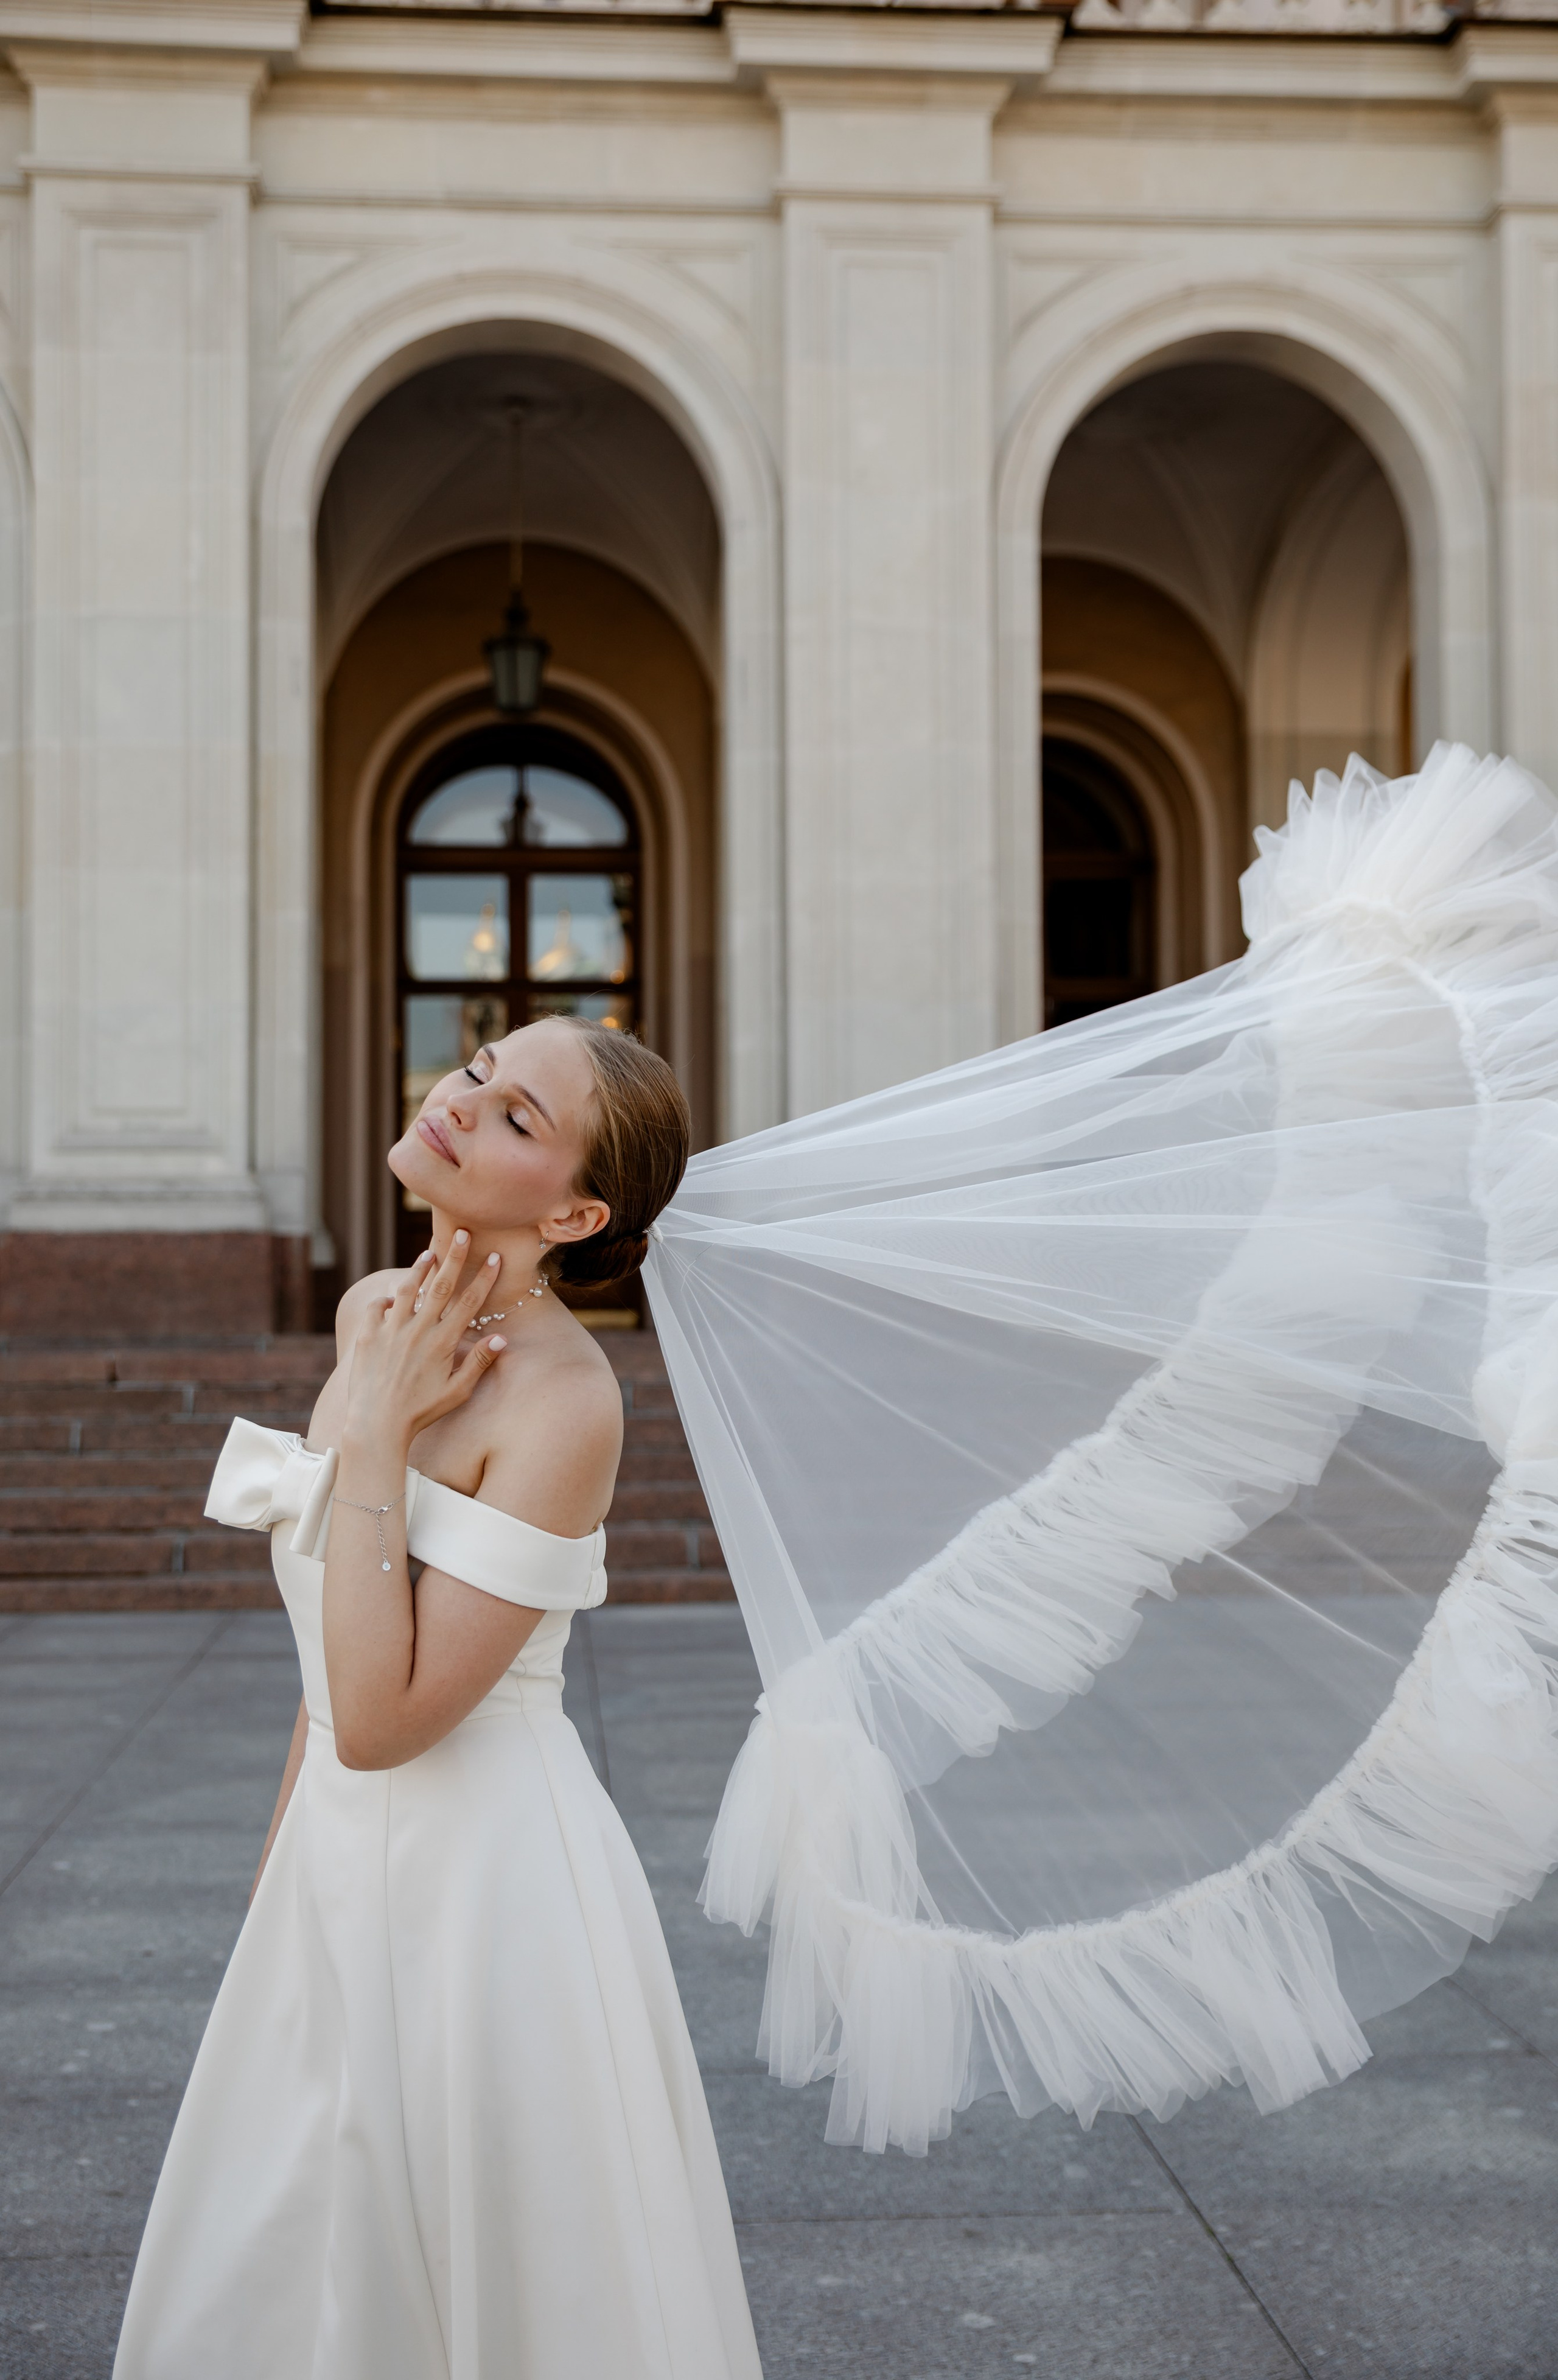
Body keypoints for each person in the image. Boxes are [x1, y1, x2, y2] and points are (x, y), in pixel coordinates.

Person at [114, 1017, 763, 2380]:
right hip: (330, 1857)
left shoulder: (568, 1401)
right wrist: (278, 1878)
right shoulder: (371, 1312)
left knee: (490, 2271)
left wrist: (387, 1431)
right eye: (478, 1069)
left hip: (487, 1884)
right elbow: (320, 1684)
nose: (463, 1104)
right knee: (290, 2245)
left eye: (520, 1116)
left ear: (580, 1209)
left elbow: (390, 1707)